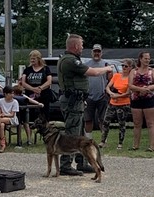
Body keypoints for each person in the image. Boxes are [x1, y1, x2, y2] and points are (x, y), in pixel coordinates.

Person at [57, 33, 113, 176]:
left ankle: (82, 162)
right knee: (72, 133)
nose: (82, 48)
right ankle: (65, 165)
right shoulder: (70, 61)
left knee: (81, 133)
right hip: (72, 102)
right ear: (75, 46)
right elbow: (92, 72)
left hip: (78, 101)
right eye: (81, 45)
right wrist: (107, 69)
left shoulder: (72, 59)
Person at [99, 58, 133, 149]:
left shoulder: (130, 78)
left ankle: (120, 143)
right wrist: (110, 93)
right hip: (112, 102)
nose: (124, 67)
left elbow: (128, 92)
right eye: (122, 65)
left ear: (130, 68)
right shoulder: (116, 75)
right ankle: (103, 141)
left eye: (126, 66)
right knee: (106, 121)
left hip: (124, 103)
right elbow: (108, 86)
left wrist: (117, 96)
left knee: (121, 123)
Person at [128, 52, 154, 151]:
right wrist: (140, 89)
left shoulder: (152, 71)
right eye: (146, 58)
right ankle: (135, 145)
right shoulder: (133, 71)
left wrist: (147, 88)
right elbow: (130, 85)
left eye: (149, 58)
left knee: (150, 123)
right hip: (136, 99)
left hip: (149, 99)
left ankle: (151, 146)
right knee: (137, 123)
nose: (148, 60)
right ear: (140, 59)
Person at [84, 44, 110, 139]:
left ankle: (104, 140)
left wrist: (107, 92)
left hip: (102, 96)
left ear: (101, 53)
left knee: (103, 119)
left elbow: (110, 79)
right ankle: (88, 139)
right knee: (88, 119)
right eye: (95, 51)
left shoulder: (105, 64)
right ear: (92, 52)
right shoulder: (86, 64)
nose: (96, 53)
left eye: (98, 51)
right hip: (89, 96)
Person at [21, 50, 52, 121]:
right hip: (30, 95)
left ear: (38, 59)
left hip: (44, 94)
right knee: (31, 112)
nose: (32, 60)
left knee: (44, 112)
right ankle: (31, 126)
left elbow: (49, 81)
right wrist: (32, 89)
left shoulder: (45, 69)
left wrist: (40, 88)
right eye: (31, 58)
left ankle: (44, 126)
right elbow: (23, 82)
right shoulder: (27, 70)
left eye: (34, 58)